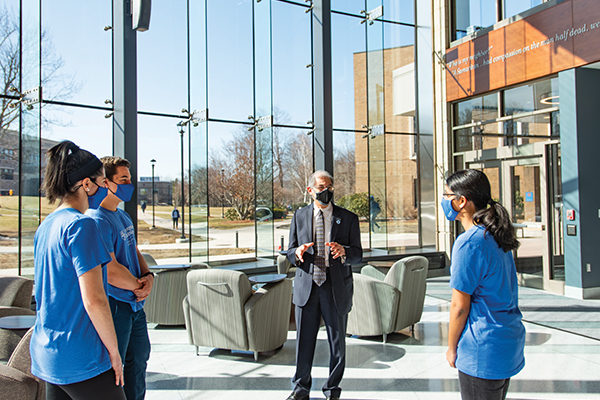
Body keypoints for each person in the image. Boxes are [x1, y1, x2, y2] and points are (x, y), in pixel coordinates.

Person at [30, 140, 125, 400]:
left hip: (48, 354)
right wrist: (114, 352)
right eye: (102, 182)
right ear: (86, 184)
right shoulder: (82, 227)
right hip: (82, 356)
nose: (105, 188)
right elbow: (94, 300)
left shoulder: (46, 226)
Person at [443, 169, 525, 400]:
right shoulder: (496, 235)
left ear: (462, 201)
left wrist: (451, 348)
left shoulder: (469, 242)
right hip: (506, 343)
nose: (444, 201)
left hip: (482, 348)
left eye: (447, 195)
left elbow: (459, 306)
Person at [285, 170, 362, 400]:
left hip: (335, 286)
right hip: (306, 287)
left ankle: (332, 390)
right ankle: (300, 389)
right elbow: (289, 251)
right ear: (310, 190)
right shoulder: (299, 216)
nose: (326, 191)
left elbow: (358, 255)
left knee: (337, 343)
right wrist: (296, 253)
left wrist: (344, 252)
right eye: (320, 187)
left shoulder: (348, 218)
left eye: (329, 187)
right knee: (303, 342)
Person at [86, 156, 153, 400]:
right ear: (106, 182)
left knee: (139, 363)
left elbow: (134, 250)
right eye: (123, 179)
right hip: (116, 305)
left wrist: (148, 276)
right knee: (116, 371)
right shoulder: (97, 220)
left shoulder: (122, 217)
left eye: (130, 178)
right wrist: (140, 287)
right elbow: (111, 271)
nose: (129, 184)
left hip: (134, 305)